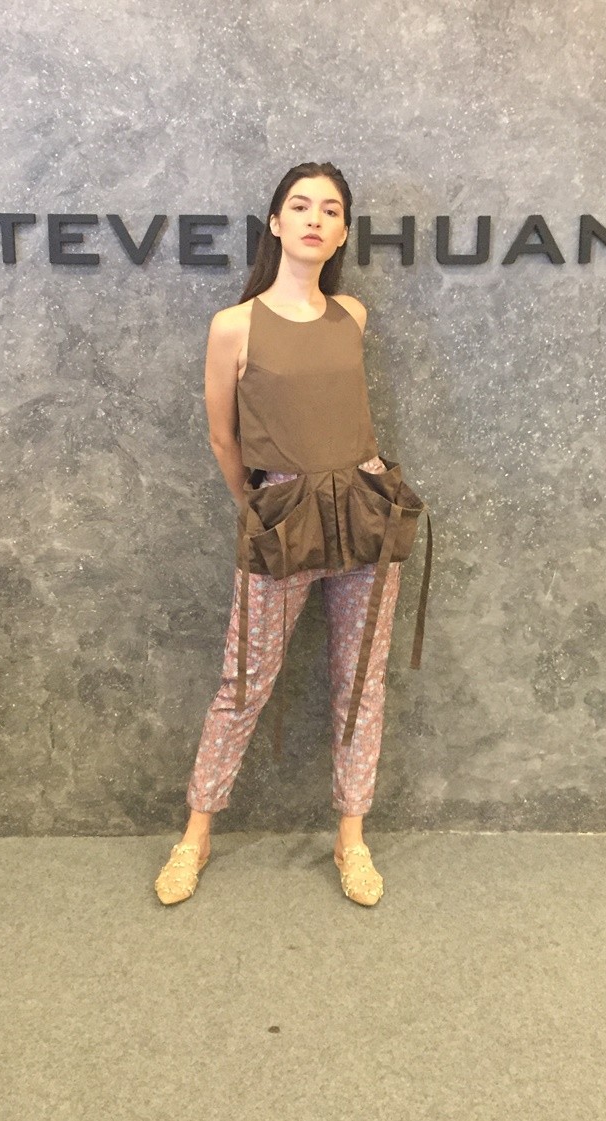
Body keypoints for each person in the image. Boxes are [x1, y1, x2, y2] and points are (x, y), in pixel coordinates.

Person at [154, 161, 432, 908]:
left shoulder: (353, 315)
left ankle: (351, 838)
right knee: (243, 679)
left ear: (341, 233)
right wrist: (258, 505)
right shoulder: (234, 325)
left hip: (365, 510)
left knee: (361, 680)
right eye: (300, 206)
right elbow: (223, 435)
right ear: (275, 223)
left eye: (330, 210)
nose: (314, 218)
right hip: (283, 514)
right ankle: (196, 834)